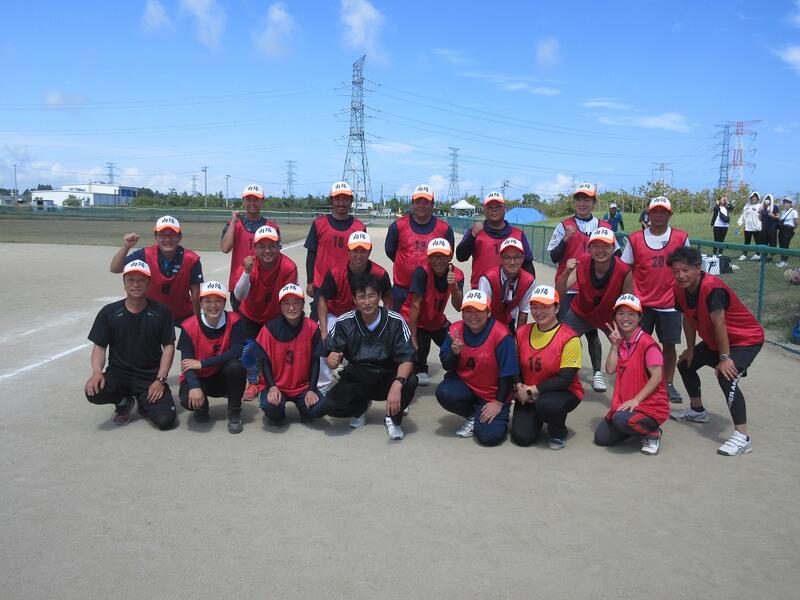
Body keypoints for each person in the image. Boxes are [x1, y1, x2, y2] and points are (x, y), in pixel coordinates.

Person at [668, 247, 764, 456]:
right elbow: (688, 319)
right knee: (686, 364)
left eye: (686, 270)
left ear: (698, 268)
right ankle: (697, 410)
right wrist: (690, 349)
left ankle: (742, 437)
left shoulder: (712, 288)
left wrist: (725, 358)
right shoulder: (678, 288)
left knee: (725, 375)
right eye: (676, 271)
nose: (681, 275)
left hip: (745, 339)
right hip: (717, 340)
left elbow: (720, 324)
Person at [323, 273, 418, 441]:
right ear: (354, 300)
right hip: (358, 378)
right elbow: (332, 354)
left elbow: (407, 357)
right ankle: (360, 408)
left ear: (379, 296)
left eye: (371, 295)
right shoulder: (344, 322)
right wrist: (331, 361)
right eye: (361, 297)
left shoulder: (396, 321)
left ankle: (393, 419)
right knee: (330, 405)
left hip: (387, 378)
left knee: (409, 381)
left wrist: (397, 383)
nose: (367, 302)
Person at [85, 260, 177, 430]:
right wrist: (97, 372)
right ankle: (123, 401)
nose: (136, 284)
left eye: (141, 280)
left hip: (149, 377)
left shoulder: (161, 312)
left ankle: (144, 404)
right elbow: (100, 346)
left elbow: (168, 347)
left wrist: (160, 380)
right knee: (94, 391)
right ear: (124, 283)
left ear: (149, 283)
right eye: (131, 280)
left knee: (166, 421)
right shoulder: (109, 312)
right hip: (118, 374)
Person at [621, 196, 690, 403]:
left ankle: (667, 384)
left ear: (670, 214)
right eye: (655, 211)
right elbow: (626, 269)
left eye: (663, 211)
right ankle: (635, 381)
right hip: (641, 303)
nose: (658, 215)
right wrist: (628, 300)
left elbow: (688, 268)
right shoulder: (635, 239)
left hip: (670, 303)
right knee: (636, 344)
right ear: (648, 214)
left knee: (669, 345)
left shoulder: (680, 238)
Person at [547, 182, 615, 393]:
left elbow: (617, 255)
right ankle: (567, 373)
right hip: (567, 288)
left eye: (587, 199)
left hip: (593, 289)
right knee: (566, 333)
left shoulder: (604, 226)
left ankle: (597, 373)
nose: (582, 203)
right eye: (579, 199)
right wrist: (565, 240)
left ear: (593, 202)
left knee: (592, 332)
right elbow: (554, 256)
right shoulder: (564, 225)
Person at [435, 290, 518, 446]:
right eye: (468, 311)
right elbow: (447, 365)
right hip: (467, 386)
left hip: (493, 394)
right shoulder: (455, 330)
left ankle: (492, 413)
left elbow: (508, 374)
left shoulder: (501, 335)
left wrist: (498, 403)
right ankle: (474, 414)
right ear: (462, 313)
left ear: (488, 312)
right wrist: (455, 353)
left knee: (489, 438)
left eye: (478, 310)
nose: (473, 316)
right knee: (444, 392)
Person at [594, 294, 669, 455]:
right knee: (602, 438)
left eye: (631, 314)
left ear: (639, 317)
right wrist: (614, 346)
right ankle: (634, 427)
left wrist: (636, 400)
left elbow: (657, 377)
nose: (625, 318)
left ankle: (652, 432)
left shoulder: (648, 344)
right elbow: (610, 369)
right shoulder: (622, 342)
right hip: (626, 406)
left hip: (651, 407)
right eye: (621, 313)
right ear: (615, 317)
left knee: (620, 420)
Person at [317, 231, 392, 391]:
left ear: (369, 251)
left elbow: (388, 300)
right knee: (320, 338)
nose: (359, 255)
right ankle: (323, 386)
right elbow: (322, 300)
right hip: (337, 316)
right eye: (355, 251)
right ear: (348, 251)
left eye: (363, 251)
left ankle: (377, 380)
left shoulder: (379, 273)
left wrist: (384, 325)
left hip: (366, 316)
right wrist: (323, 331)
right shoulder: (336, 272)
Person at [511, 285, 583, 450]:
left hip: (562, 392)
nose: (539, 312)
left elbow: (565, 379)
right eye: (534, 307)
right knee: (522, 438)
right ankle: (538, 415)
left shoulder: (569, 338)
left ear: (556, 308)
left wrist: (532, 390)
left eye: (545, 307)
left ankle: (558, 432)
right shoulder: (522, 332)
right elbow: (515, 364)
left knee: (548, 405)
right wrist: (519, 385)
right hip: (528, 391)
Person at [177, 281, 247, 434]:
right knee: (187, 399)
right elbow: (186, 363)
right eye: (208, 301)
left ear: (224, 303)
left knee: (237, 368)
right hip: (200, 379)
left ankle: (234, 413)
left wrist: (203, 363)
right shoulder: (189, 326)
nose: (213, 306)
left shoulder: (234, 320)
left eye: (218, 301)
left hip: (221, 377)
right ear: (201, 303)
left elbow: (237, 351)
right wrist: (194, 386)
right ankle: (202, 406)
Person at [251, 284, 326, 425]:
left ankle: (305, 409)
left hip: (303, 386)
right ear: (280, 306)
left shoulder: (312, 327)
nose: (291, 308)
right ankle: (278, 412)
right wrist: (272, 387)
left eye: (296, 302)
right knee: (272, 408)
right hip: (277, 385)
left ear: (303, 304)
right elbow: (264, 362)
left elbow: (315, 361)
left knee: (321, 407)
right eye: (286, 303)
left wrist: (311, 390)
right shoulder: (269, 329)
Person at [109, 215, 203, 325]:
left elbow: (195, 293)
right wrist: (126, 247)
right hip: (152, 313)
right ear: (155, 237)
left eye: (172, 235)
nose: (167, 239)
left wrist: (197, 322)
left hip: (183, 313)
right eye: (162, 235)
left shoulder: (191, 259)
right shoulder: (145, 255)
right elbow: (115, 268)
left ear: (180, 237)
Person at [556, 226, 633, 358]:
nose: (600, 250)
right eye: (596, 246)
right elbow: (559, 293)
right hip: (581, 313)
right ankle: (566, 370)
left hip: (610, 316)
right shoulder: (582, 263)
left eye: (606, 246)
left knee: (626, 351)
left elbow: (628, 303)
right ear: (589, 249)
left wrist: (625, 327)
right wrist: (566, 272)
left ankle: (623, 370)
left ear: (613, 248)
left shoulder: (624, 270)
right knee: (560, 344)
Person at [400, 238, 465, 386]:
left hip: (436, 319)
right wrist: (413, 337)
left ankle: (455, 369)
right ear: (428, 258)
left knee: (457, 341)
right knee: (416, 346)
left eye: (442, 256)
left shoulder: (457, 274)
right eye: (434, 256)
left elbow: (458, 306)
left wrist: (454, 287)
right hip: (416, 320)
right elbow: (415, 306)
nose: (438, 260)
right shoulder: (422, 272)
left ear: (450, 256)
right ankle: (419, 368)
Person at [304, 181, 367, 320]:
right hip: (322, 284)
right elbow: (311, 254)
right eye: (337, 199)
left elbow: (363, 258)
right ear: (331, 200)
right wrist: (310, 281)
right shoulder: (319, 224)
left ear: (350, 201)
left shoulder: (359, 227)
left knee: (349, 326)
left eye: (345, 199)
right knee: (318, 327)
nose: (341, 203)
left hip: (349, 285)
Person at [385, 184, 454, 309]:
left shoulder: (444, 229)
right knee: (398, 321)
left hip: (430, 291)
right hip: (402, 291)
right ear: (412, 204)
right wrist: (406, 264)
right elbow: (390, 251)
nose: (421, 205)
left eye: (426, 202)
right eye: (417, 202)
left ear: (432, 205)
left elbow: (448, 256)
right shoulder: (398, 226)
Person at [220, 184, 281, 311]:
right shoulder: (233, 224)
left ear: (262, 201)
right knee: (240, 321)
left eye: (256, 200)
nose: (252, 203)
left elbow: (277, 258)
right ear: (243, 201)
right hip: (239, 283)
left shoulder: (272, 227)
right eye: (248, 199)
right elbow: (225, 248)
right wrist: (233, 222)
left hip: (265, 285)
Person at [455, 191, 534, 288]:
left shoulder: (518, 234)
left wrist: (529, 289)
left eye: (498, 206)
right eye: (489, 207)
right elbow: (461, 257)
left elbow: (527, 265)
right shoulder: (475, 232)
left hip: (511, 291)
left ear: (504, 209)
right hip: (481, 290)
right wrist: (472, 235)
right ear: (484, 210)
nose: (494, 210)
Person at [235, 225, 299, 340]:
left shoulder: (288, 268)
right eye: (262, 246)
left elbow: (289, 300)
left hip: (277, 318)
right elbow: (239, 296)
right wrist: (247, 272)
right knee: (248, 350)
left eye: (272, 246)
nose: (267, 251)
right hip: (250, 317)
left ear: (278, 247)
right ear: (255, 248)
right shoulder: (248, 266)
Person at [477, 237, 536, 334]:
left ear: (522, 259)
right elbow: (482, 311)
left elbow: (523, 312)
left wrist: (518, 338)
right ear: (500, 259)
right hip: (488, 322)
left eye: (517, 257)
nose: (512, 262)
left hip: (509, 322)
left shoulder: (529, 281)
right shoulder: (487, 279)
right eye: (507, 257)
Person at [737, 192, 762, 260]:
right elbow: (743, 214)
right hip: (747, 227)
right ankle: (744, 255)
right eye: (752, 197)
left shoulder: (760, 206)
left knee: (757, 242)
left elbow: (762, 215)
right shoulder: (747, 205)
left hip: (756, 227)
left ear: (757, 198)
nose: (754, 198)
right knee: (746, 242)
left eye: (755, 197)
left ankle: (757, 255)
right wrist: (740, 222)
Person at [776, 197, 797, 267]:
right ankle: (782, 260)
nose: (785, 204)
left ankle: (784, 261)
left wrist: (793, 229)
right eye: (784, 202)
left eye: (787, 203)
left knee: (785, 245)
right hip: (782, 229)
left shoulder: (793, 211)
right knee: (781, 245)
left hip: (788, 229)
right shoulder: (783, 211)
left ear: (790, 204)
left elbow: (796, 222)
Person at [759, 194, 780, 261]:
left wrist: (773, 216)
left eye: (768, 199)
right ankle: (763, 256)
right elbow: (760, 219)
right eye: (766, 199)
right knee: (763, 242)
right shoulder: (763, 208)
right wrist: (759, 213)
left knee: (772, 242)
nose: (767, 200)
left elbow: (778, 217)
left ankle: (771, 257)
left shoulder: (775, 207)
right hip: (764, 228)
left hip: (772, 228)